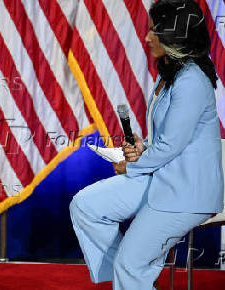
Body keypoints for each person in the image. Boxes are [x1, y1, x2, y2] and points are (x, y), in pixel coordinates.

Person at [69, 1, 223, 289]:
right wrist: (143, 148)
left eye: (155, 31)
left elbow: (171, 147)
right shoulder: (169, 74)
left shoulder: (192, 81)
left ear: (175, 36)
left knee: (132, 264)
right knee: (86, 205)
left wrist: (132, 163)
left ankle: (130, 273)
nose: (147, 37)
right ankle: (126, 276)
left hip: (186, 191)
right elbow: (167, 141)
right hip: (161, 176)